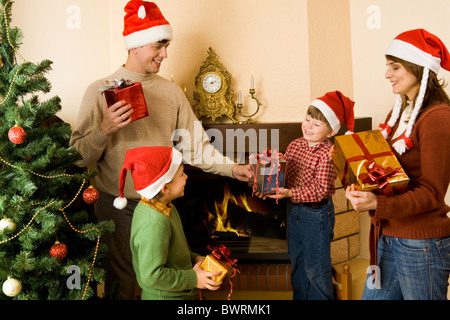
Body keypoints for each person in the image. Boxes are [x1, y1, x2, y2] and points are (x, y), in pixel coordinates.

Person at [69, 1, 251, 299]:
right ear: (136, 46)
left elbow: (197, 149)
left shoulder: (171, 93)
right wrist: (104, 129)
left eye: (167, 45)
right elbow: (77, 158)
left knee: (164, 284)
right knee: (125, 284)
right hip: (117, 205)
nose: (165, 54)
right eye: (159, 45)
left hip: (162, 205)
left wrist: (234, 169)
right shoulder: (98, 91)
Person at [346, 29, 450, 300]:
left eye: (395, 66)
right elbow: (388, 175)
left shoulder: (437, 117)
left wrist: (375, 204)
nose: (387, 74)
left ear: (419, 67)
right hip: (387, 234)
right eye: (387, 67)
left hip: (421, 243)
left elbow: (431, 194)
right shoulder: (399, 112)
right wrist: (360, 185)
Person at [266, 91, 355, 300]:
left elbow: (321, 190)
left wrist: (290, 193)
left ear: (331, 131)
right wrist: (277, 167)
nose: (308, 126)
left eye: (316, 125)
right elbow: (287, 174)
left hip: (317, 215)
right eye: (307, 120)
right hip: (295, 211)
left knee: (315, 267)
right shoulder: (295, 144)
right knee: (298, 262)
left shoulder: (328, 153)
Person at [115, 146, 221, 300]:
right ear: (165, 188)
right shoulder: (154, 224)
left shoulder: (166, 207)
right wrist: (194, 278)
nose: (186, 177)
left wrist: (194, 258)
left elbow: (174, 252)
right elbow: (152, 276)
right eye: (181, 174)